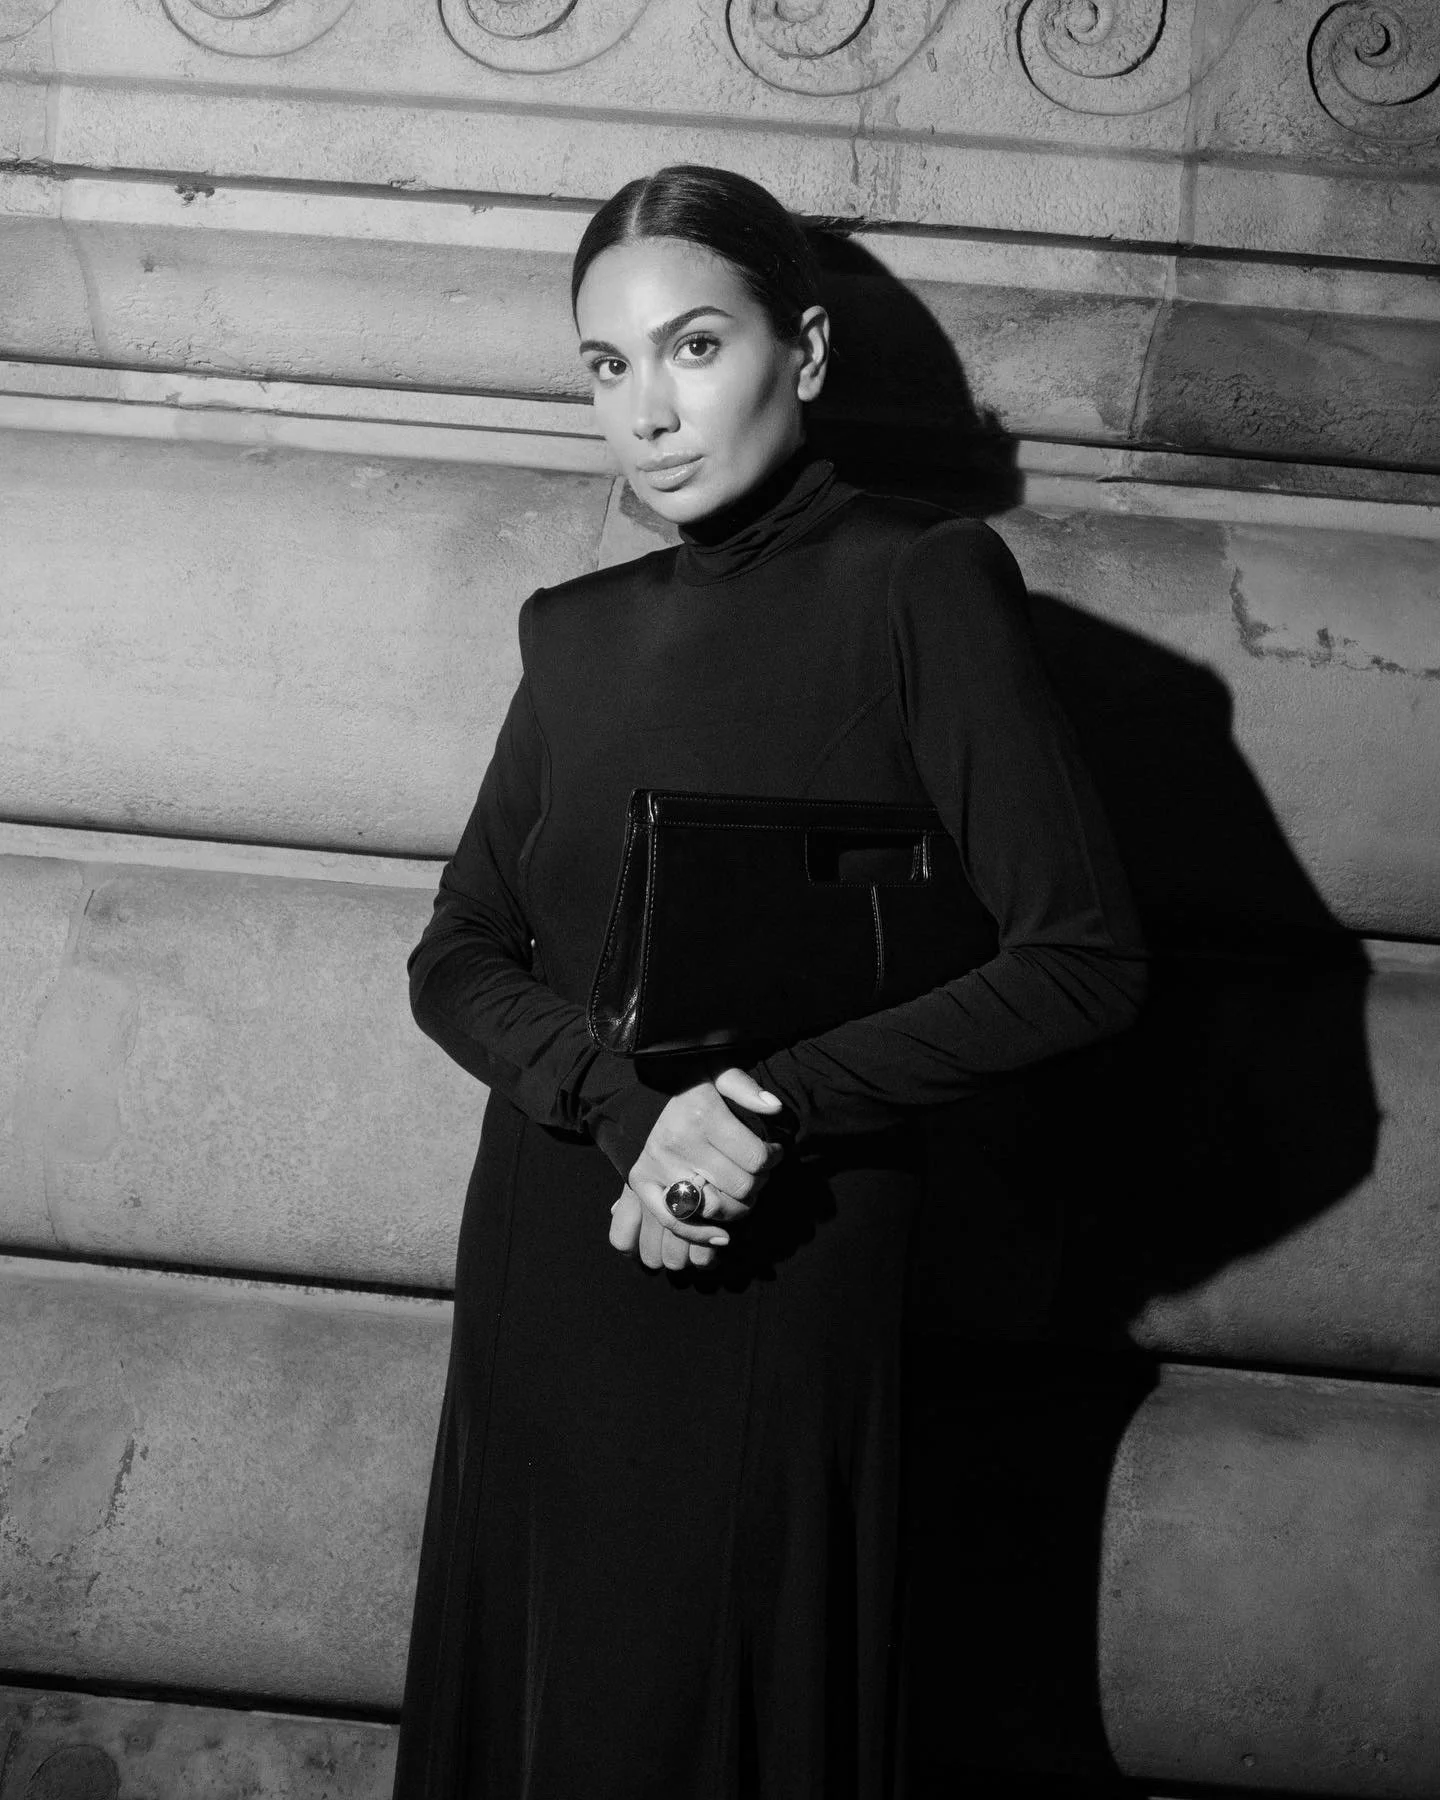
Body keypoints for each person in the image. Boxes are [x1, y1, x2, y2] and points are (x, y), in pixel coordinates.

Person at [391, 163, 1147, 1800]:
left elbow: (1081, 962)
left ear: (799, 352)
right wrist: (624, 1112)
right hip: (551, 1250)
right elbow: (456, 949)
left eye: (694, 346)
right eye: (608, 366)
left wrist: (764, 1111)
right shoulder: (573, 631)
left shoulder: (920, 581)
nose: (649, 411)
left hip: (771, 1270)